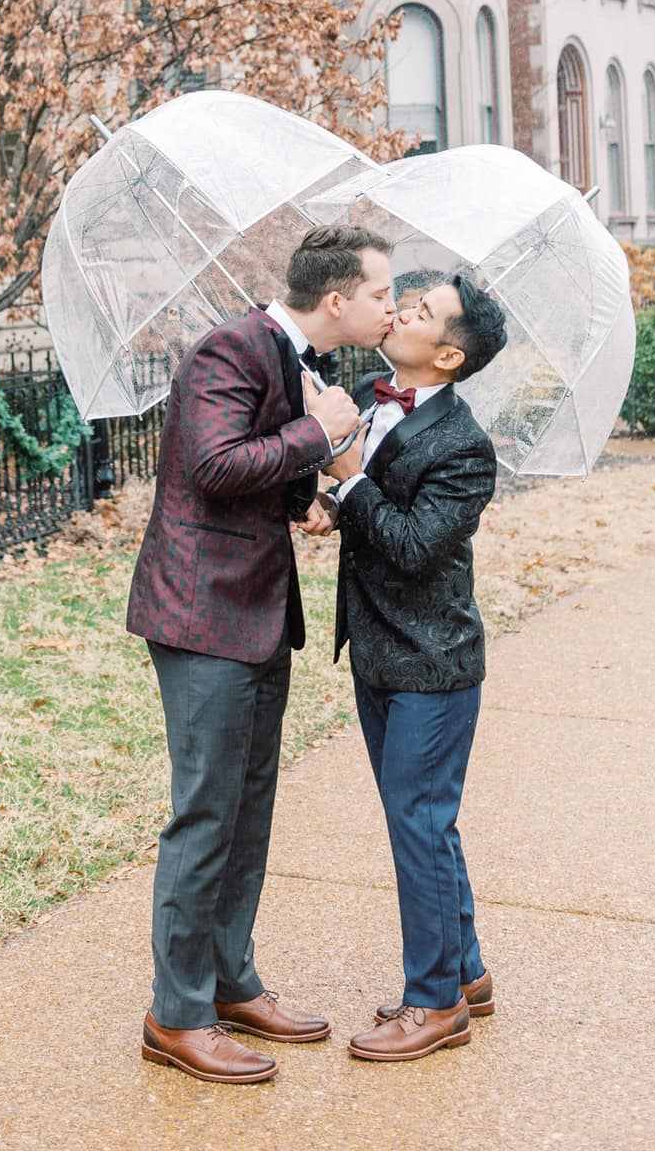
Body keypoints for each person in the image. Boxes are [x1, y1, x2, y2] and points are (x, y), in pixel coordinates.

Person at [126, 225, 395, 1084]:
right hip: (203, 619)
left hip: (257, 613)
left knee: (249, 808)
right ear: (336, 300)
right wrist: (320, 437)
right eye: (383, 293)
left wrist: (303, 495)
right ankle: (177, 1014)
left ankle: (230, 980)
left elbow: (253, 469)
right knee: (206, 813)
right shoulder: (229, 349)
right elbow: (208, 463)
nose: (392, 306)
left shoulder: (293, 360)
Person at [304, 270, 507, 1063]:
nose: (399, 311)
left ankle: (433, 1005)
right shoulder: (367, 393)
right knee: (424, 823)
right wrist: (329, 504)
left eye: (420, 312)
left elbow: (416, 546)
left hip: (433, 664)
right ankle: (466, 973)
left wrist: (348, 476)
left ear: (448, 356)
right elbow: (366, 504)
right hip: (377, 647)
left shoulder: (465, 447)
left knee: (417, 828)